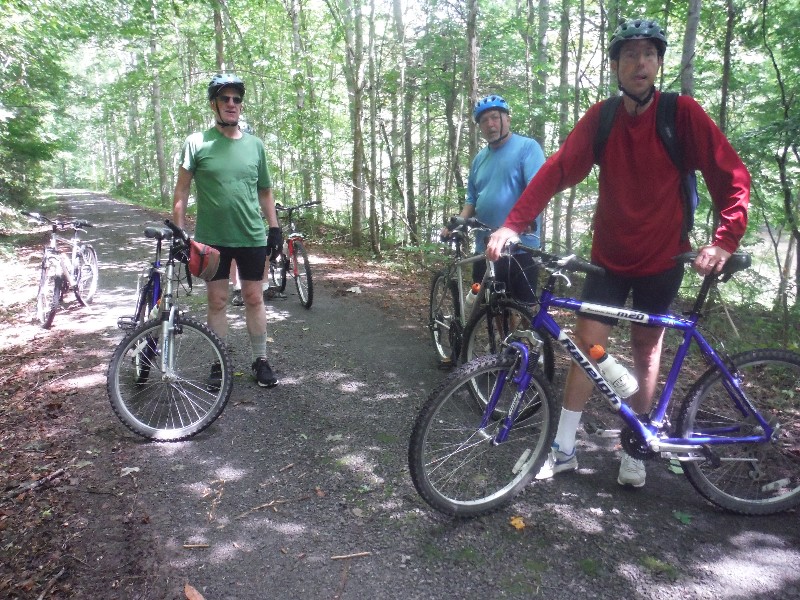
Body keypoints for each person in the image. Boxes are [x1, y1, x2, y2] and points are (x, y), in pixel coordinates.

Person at [486, 18, 750, 488]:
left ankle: (636, 446)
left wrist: (724, 239)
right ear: (616, 66)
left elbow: (729, 175)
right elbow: (558, 169)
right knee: (587, 348)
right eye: (630, 55)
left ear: (659, 63)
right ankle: (563, 449)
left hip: (663, 259)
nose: (640, 63)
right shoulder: (603, 117)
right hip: (607, 257)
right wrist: (513, 224)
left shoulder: (680, 113)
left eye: (649, 54)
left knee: (647, 352)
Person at [173, 73, 283, 389]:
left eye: (236, 99)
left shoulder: (255, 146)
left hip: (251, 235)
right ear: (214, 105)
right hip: (213, 238)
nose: (232, 104)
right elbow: (181, 191)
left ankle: (261, 360)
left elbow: (265, 191)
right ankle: (218, 362)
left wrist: (274, 228)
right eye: (225, 99)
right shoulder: (196, 143)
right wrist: (180, 234)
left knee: (253, 297)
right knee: (218, 301)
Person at [441, 94, 545, 309]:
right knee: (493, 307)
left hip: (521, 247)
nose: (490, 124)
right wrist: (457, 223)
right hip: (485, 247)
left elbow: (539, 189)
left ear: (507, 119)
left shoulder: (527, 147)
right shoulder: (479, 159)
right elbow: (472, 200)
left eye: (495, 117)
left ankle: (520, 343)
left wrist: (520, 224)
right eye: (484, 120)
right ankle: (500, 343)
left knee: (524, 308)